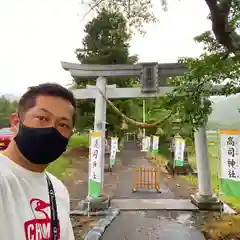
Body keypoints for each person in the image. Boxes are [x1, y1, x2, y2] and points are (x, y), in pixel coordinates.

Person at [0, 83, 75, 240]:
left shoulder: (58, 189)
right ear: (16, 122)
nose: (51, 129)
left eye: (63, 125)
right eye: (42, 118)